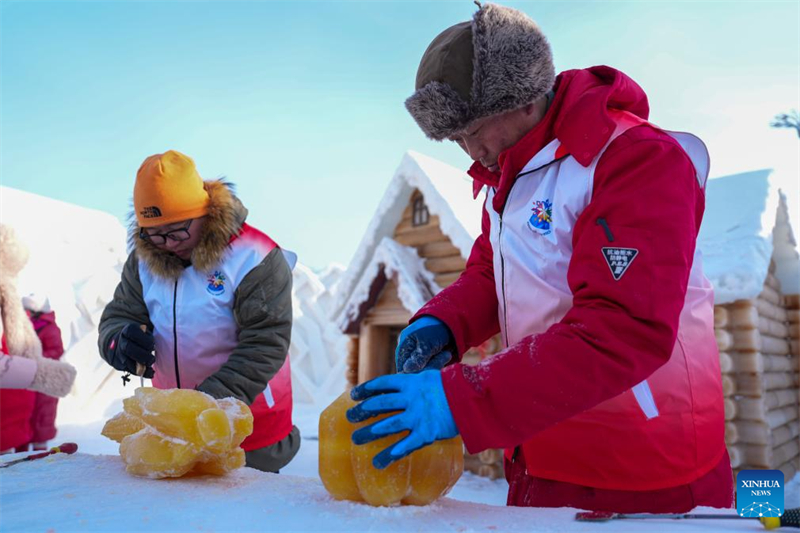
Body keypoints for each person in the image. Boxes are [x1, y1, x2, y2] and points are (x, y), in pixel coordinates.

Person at [347, 2, 732, 513]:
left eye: (472, 129)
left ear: (523, 98)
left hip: (645, 472)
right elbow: (492, 270)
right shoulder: (509, 176)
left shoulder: (636, 159)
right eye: (453, 136)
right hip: (542, 452)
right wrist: (443, 322)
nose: (466, 149)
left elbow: (624, 328)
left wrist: (462, 401)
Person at [98, 150, 299, 473]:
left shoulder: (254, 256)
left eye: (177, 229)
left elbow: (265, 343)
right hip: (173, 431)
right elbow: (120, 314)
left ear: (204, 213)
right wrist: (119, 342)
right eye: (154, 233)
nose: (167, 243)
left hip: (249, 426)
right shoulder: (143, 262)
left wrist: (202, 406)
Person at [0, 225, 76, 454]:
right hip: (22, 389)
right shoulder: (14, 311)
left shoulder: (40, 324)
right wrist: (38, 371)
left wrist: (39, 368)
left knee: (40, 420)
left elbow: (51, 348)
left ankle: (36, 448)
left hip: (26, 393)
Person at [22, 295, 66, 451]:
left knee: (42, 415)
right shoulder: (23, 326)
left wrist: (35, 358)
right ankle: (22, 451)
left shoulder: (49, 327)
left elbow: (56, 350)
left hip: (45, 378)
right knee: (25, 416)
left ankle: (39, 454)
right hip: (28, 378)